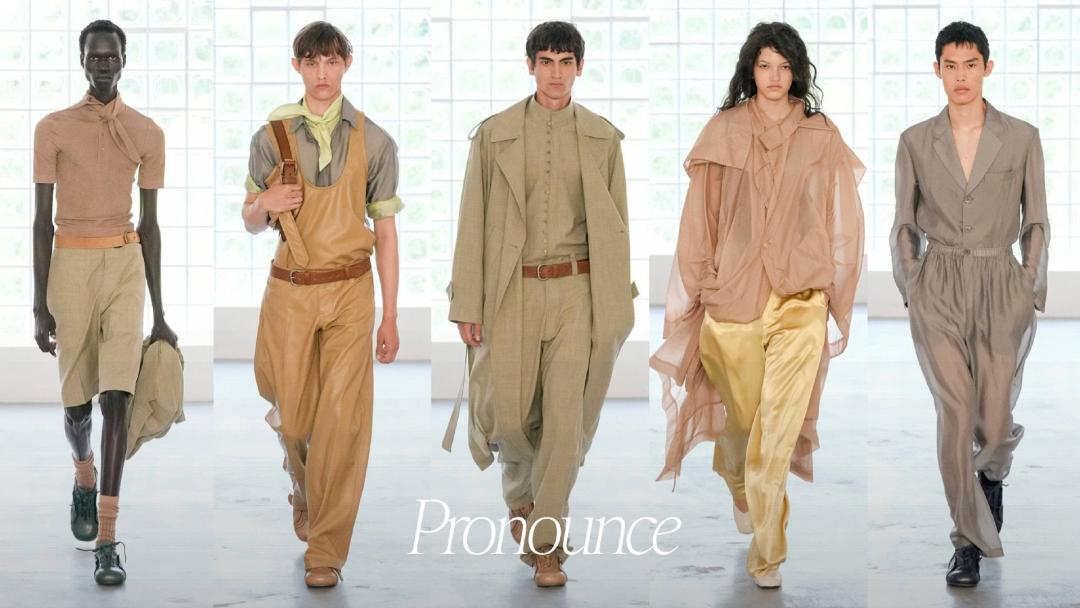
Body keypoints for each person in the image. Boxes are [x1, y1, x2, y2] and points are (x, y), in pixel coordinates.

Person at [650, 22, 864, 589]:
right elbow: (699, 218)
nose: (774, 77)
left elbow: (842, 220)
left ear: (798, 72)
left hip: (801, 299)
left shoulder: (819, 133)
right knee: (745, 425)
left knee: (776, 429)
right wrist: (702, 284)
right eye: (765, 65)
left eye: (785, 66)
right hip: (733, 302)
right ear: (751, 69)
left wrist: (831, 294)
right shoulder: (724, 130)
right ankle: (738, 480)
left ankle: (768, 553)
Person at [443, 20, 634, 588]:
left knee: (564, 419)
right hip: (511, 290)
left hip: (578, 291)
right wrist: (467, 303)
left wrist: (612, 309)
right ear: (529, 66)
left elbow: (617, 228)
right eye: (545, 61)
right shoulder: (494, 135)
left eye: (565, 61)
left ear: (580, 67)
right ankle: (519, 495)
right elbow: (471, 221)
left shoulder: (603, 138)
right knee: (509, 413)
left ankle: (548, 541)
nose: (556, 72)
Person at [240, 21, 402, 588]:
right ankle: (301, 479)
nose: (322, 73)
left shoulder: (376, 141)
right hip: (289, 290)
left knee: (343, 421)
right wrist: (264, 200)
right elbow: (250, 220)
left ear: (347, 63)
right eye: (312, 63)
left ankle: (326, 550)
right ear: (298, 67)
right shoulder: (272, 136)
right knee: (293, 415)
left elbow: (386, 233)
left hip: (352, 291)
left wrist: (390, 315)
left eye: (332, 61)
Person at [890, 21, 1047, 587]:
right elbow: (904, 222)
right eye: (950, 66)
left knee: (995, 423)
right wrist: (913, 286)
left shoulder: (1022, 137)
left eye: (971, 65)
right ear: (936, 70)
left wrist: (1027, 288)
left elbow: (1036, 220)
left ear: (987, 68)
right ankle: (967, 543)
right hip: (939, 285)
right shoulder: (915, 140)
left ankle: (991, 479)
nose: (961, 76)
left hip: (1000, 283)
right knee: (956, 414)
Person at [32, 19, 177, 585]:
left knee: (118, 397)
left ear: (124, 60)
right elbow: (40, 221)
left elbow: (152, 225)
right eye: (94, 56)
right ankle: (83, 473)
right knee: (78, 409)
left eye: (111, 56)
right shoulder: (53, 128)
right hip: (69, 264)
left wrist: (161, 313)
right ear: (81, 60)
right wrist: (38, 304)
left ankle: (109, 539)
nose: (103, 64)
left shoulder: (146, 132)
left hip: (124, 265)